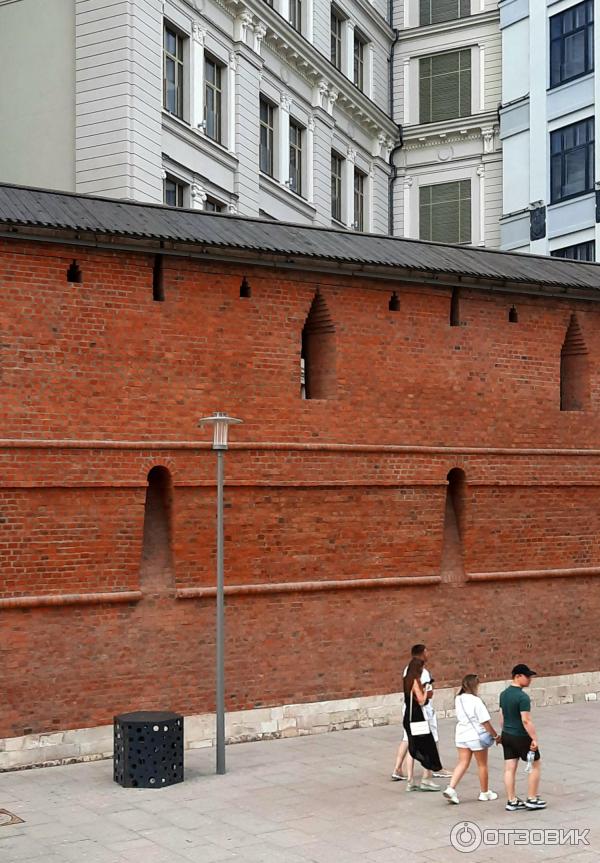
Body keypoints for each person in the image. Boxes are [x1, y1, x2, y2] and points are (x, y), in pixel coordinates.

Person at [391, 644, 451, 782]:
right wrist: (427, 691)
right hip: (421, 713)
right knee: (429, 739)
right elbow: (423, 698)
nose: (428, 654)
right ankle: (432, 770)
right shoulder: (422, 674)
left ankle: (399, 770)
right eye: (426, 652)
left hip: (408, 711)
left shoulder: (408, 670)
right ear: (422, 654)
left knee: (408, 739)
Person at [442, 674, 500, 805]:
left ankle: (451, 788)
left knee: (462, 762)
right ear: (475, 685)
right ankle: (484, 792)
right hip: (476, 736)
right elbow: (485, 722)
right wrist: (496, 736)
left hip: (461, 734)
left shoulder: (458, 699)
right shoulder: (476, 701)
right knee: (482, 764)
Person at [499, 663, 546, 811]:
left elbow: (501, 716)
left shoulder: (504, 694)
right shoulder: (522, 697)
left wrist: (503, 732)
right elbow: (526, 720)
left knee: (509, 768)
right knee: (535, 765)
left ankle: (511, 800)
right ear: (517, 676)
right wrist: (534, 739)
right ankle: (532, 798)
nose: (530, 679)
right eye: (527, 676)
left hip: (507, 734)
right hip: (521, 736)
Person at [403, 657, 443, 791]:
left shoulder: (406, 680)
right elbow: (421, 700)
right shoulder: (415, 681)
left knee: (412, 746)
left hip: (408, 716)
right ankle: (427, 779)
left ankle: (410, 780)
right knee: (428, 746)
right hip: (417, 717)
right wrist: (426, 689)